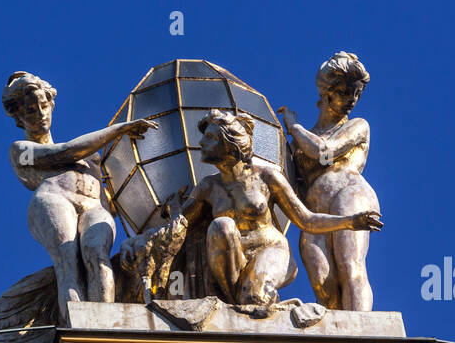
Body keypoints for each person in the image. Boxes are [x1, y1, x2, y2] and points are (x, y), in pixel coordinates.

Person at [141, 109, 381, 314]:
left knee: (256, 299)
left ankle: (256, 299)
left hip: (270, 250)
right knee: (221, 226)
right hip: (233, 261)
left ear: (229, 143)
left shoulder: (267, 176)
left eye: (210, 137)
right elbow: (179, 228)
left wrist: (349, 222)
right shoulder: (207, 187)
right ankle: (228, 303)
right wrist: (171, 212)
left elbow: (306, 220)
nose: (201, 142)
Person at [2, 72, 156, 312]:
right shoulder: (20, 150)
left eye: (44, 106)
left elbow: (117, 195)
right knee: (67, 258)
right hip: (54, 200)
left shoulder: (92, 157)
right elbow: (65, 152)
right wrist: (118, 130)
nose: (41, 114)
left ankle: (105, 326)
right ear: (19, 118)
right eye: (31, 110)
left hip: (94, 205)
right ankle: (76, 326)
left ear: (51, 104)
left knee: (97, 254)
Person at [277, 51, 381, 311]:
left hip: (350, 194)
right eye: (347, 92)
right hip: (314, 214)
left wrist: (294, 126)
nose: (353, 101)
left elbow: (325, 152)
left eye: (357, 94)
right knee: (324, 283)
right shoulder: (299, 144)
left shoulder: (358, 125)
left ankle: (362, 336)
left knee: (350, 266)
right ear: (327, 92)